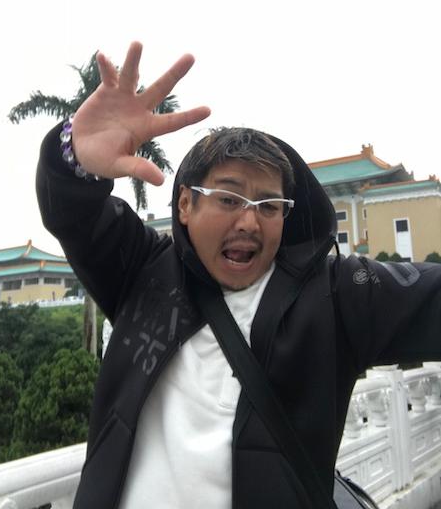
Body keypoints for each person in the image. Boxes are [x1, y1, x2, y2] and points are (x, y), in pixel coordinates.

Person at [36, 42, 441, 509]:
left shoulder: (335, 296)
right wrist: (72, 154)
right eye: (229, 199)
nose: (249, 222)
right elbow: (74, 213)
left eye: (268, 205)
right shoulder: (142, 272)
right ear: (185, 204)